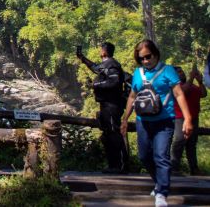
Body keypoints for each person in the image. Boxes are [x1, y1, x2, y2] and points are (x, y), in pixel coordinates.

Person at [121, 40, 193, 207]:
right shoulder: (138, 73)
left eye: (148, 57)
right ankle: (158, 182)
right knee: (144, 156)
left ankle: (161, 193)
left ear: (156, 54)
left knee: (161, 156)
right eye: (141, 59)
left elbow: (179, 94)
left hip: (164, 120)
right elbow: (132, 96)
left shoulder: (168, 71)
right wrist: (125, 119)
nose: (145, 61)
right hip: (143, 122)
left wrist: (187, 119)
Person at [76, 42, 129, 173]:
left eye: (101, 49)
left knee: (113, 133)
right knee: (108, 134)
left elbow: (114, 81)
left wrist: (96, 84)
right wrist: (82, 58)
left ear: (104, 51)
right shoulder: (107, 64)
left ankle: (120, 166)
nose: (100, 51)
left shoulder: (112, 64)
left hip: (112, 104)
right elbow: (95, 67)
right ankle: (113, 165)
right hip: (106, 104)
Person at [170, 66, 206, 175]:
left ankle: (194, 169)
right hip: (180, 118)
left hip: (194, 118)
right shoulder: (176, 87)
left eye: (182, 71)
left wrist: (200, 82)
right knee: (179, 142)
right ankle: (174, 168)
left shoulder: (192, 86)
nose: (182, 73)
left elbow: (203, 94)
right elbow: (183, 92)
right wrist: (191, 78)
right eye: (179, 72)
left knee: (191, 144)